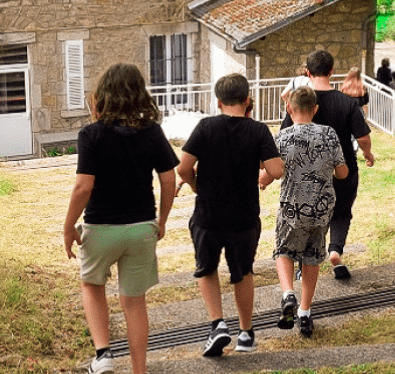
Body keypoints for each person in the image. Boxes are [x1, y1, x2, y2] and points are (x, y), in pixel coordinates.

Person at [63, 64, 178, 374]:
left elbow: (83, 186)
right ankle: (139, 370)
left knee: (91, 285)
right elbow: (169, 181)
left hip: (100, 228)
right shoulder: (152, 131)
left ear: (103, 96)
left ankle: (103, 356)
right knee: (134, 301)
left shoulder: (91, 134)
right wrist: (162, 221)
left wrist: (67, 226)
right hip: (141, 227)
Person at [177, 73, 284, 357]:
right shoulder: (259, 131)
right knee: (242, 272)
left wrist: (195, 185)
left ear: (219, 101)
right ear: (247, 100)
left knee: (206, 268)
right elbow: (277, 170)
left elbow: (183, 168)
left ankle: (218, 324)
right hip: (245, 216)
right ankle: (246, 333)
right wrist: (259, 170)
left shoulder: (205, 127)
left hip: (208, 215)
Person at [260, 86, 348, 338]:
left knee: (283, 250)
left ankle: (288, 293)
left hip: (292, 208)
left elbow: (271, 172)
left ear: (289, 108)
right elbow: (342, 173)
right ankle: (305, 313)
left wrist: (262, 180)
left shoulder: (283, 137)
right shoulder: (329, 134)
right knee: (312, 257)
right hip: (321, 210)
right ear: (315, 109)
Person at [281, 50, 375, 280]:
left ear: (307, 72)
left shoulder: (300, 102)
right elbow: (362, 136)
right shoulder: (346, 102)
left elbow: (286, 134)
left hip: (307, 173)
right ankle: (335, 251)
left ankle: (304, 266)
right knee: (341, 212)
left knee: (309, 216)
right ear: (331, 71)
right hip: (342, 170)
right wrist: (368, 153)